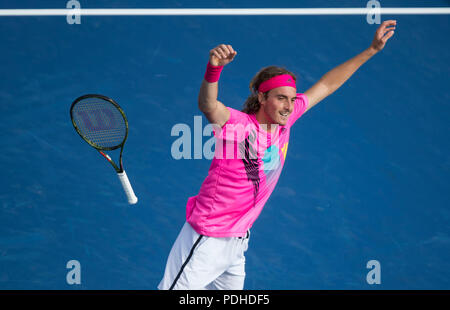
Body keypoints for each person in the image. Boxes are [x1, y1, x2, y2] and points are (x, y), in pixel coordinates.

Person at [158, 20, 397, 290]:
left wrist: (372, 50)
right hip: (206, 239)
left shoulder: (287, 118)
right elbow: (208, 104)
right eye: (281, 98)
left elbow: (327, 85)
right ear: (262, 98)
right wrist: (214, 69)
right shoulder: (237, 126)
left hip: (237, 244)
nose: (289, 106)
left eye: (292, 99)